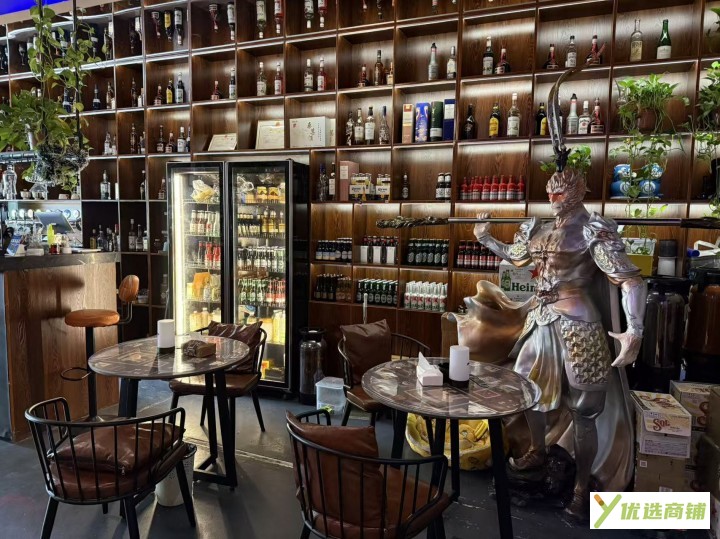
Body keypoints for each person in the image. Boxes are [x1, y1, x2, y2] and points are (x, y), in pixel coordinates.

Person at [473, 166, 646, 519]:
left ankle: (581, 487)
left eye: (561, 192)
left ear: (578, 192)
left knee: (584, 409)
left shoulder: (592, 231)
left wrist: (635, 330)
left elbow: (630, 280)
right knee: (526, 387)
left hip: (578, 323)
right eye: (550, 192)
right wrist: (485, 238)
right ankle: (537, 450)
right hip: (540, 318)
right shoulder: (539, 229)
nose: (553, 198)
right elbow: (516, 256)